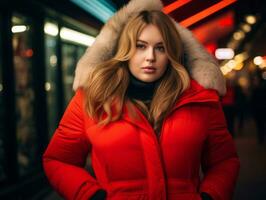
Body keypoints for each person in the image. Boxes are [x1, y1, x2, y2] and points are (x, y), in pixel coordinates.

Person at [43, 0, 240, 199]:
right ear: (125, 50)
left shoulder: (201, 100)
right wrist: (91, 196)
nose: (150, 57)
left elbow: (224, 161)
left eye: (161, 48)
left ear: (171, 53)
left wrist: (210, 196)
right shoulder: (92, 98)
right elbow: (59, 160)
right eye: (140, 46)